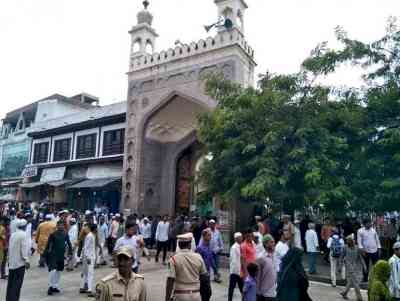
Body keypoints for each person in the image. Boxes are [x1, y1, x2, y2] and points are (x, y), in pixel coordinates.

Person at [165, 233, 209, 301]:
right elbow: (204, 278)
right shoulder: (198, 257)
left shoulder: (173, 259)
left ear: (179, 245)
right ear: (189, 245)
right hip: (196, 295)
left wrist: (167, 299)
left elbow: (170, 280)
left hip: (180, 295)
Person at [44, 219, 72, 295]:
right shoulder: (53, 234)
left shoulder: (65, 234)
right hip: (53, 255)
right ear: (57, 226)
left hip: (61, 255)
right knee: (52, 271)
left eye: (62, 225)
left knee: (59, 271)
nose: (61, 226)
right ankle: (50, 287)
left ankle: (55, 286)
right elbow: (48, 245)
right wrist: (45, 254)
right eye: (59, 225)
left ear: (63, 226)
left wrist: (70, 252)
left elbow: (69, 243)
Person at [6, 219, 30, 301]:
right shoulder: (24, 235)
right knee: (17, 285)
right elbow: (24, 250)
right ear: (24, 226)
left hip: (12, 264)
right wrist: (27, 261)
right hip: (19, 264)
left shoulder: (13, 235)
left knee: (11, 284)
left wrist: (9, 261)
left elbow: (10, 249)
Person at [340, 234, 365, 301]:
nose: (351, 242)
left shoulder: (357, 248)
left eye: (352, 240)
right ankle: (359, 298)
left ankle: (344, 293)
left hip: (355, 267)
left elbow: (361, 258)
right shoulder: (345, 247)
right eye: (349, 241)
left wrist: (364, 266)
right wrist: (340, 266)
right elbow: (341, 257)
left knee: (350, 281)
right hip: (348, 267)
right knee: (355, 283)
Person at [255, 234, 277, 301]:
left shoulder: (274, 255)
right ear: (266, 244)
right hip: (265, 294)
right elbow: (257, 277)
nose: (274, 244)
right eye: (271, 242)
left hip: (274, 293)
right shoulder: (261, 258)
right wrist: (258, 293)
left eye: (273, 242)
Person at [80, 223, 97, 297]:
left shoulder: (90, 235)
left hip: (87, 257)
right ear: (95, 229)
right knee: (90, 274)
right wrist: (88, 258)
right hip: (89, 257)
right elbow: (86, 248)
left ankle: (83, 287)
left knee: (85, 273)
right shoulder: (90, 236)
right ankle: (89, 290)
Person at [228, 232, 243, 301]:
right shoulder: (234, 247)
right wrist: (237, 271)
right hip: (235, 271)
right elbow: (234, 261)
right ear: (236, 239)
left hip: (239, 271)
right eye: (240, 237)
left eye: (241, 237)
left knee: (241, 288)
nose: (241, 238)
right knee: (232, 287)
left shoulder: (241, 246)